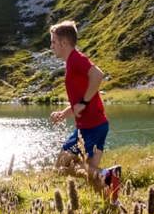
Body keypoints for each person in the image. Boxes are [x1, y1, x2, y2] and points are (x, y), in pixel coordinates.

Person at [48, 20, 122, 204]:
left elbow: (98, 75)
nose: (51, 46)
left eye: (53, 42)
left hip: (93, 126)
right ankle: (113, 203)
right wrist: (64, 114)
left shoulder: (76, 59)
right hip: (89, 126)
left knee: (63, 165)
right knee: (89, 173)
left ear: (64, 43)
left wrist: (84, 101)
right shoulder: (71, 62)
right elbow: (79, 101)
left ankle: (106, 175)